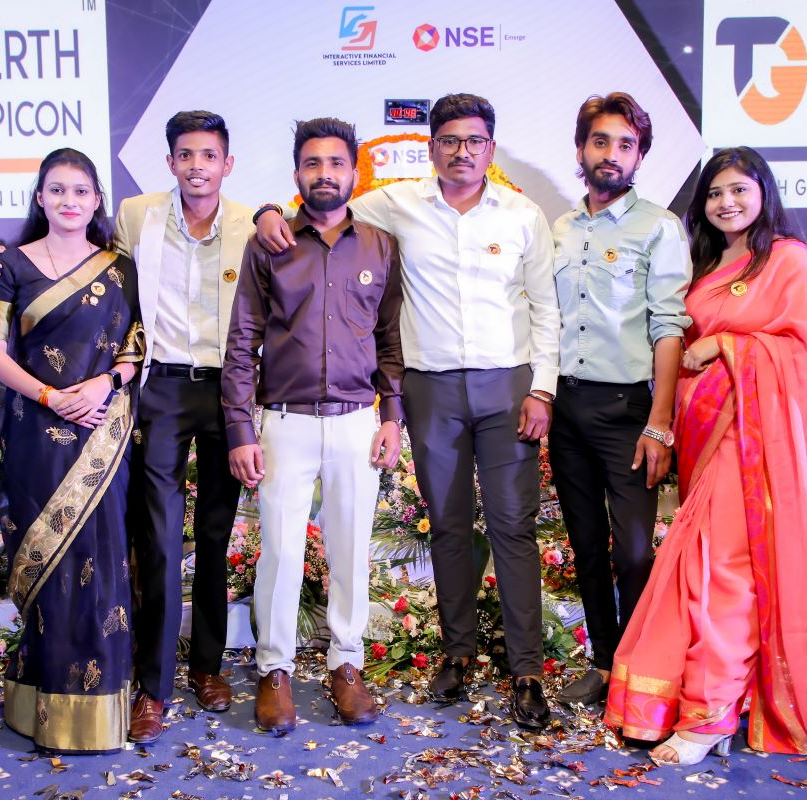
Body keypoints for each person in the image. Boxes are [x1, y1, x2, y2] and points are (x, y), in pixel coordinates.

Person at [255, 94, 559, 730]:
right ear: (431, 148)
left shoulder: (524, 215)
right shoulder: (393, 205)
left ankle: (527, 671)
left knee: (512, 526)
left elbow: (545, 306)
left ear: (490, 148)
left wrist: (543, 390)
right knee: (447, 525)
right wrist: (266, 212)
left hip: (508, 386)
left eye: (473, 141)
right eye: (449, 141)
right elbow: (323, 206)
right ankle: (458, 655)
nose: (461, 152)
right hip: (430, 389)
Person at [0, 112, 253, 743]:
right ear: (170, 161)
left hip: (228, 390)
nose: (197, 166)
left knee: (215, 534)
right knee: (158, 539)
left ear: (227, 163)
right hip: (159, 390)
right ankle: (153, 686)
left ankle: (207, 667)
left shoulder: (253, 222)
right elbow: (122, 316)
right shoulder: (137, 217)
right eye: (185, 155)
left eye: (209, 155)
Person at [603, 147, 807, 764]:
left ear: (763, 193)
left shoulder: (790, 262)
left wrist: (724, 344)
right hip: (707, 439)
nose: (726, 203)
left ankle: (709, 714)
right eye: (715, 193)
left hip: (754, 443)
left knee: (721, 571)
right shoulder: (707, 264)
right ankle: (700, 700)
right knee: (702, 567)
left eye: (739, 190)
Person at [224, 117, 403, 734]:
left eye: (335, 163)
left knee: (351, 548)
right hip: (285, 422)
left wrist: (392, 416)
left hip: (356, 422)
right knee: (280, 551)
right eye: (312, 163)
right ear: (296, 172)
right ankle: (274, 669)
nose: (324, 174)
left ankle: (346, 664)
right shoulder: (269, 244)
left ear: (355, 172)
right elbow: (242, 340)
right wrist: (241, 429)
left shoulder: (380, 245)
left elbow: (389, 340)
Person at [0, 148, 143, 753]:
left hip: (102, 430)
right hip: (35, 431)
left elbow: (137, 344)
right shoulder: (8, 265)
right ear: (40, 198)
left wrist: (106, 383)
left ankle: (99, 709)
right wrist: (51, 396)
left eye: (80, 191)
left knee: (102, 559)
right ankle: (40, 701)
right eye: (57, 190)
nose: (69, 200)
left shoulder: (122, 269)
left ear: (97, 200)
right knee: (47, 562)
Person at [550, 93, 691, 707]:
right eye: (600, 141)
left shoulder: (659, 227)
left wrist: (660, 423)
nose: (611, 154)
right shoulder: (559, 229)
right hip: (566, 408)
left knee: (632, 550)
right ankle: (605, 664)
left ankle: (638, 668)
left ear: (640, 156)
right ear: (582, 149)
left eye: (625, 145)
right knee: (585, 545)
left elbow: (669, 326)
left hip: (629, 411)